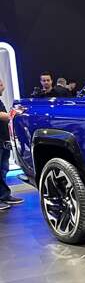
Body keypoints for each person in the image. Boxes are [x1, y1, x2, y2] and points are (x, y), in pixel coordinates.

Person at [0, 78, 24, 211]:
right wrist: (14, 114)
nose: (3, 87)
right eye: (0, 85)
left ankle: (4, 195)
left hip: (3, 140)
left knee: (3, 170)